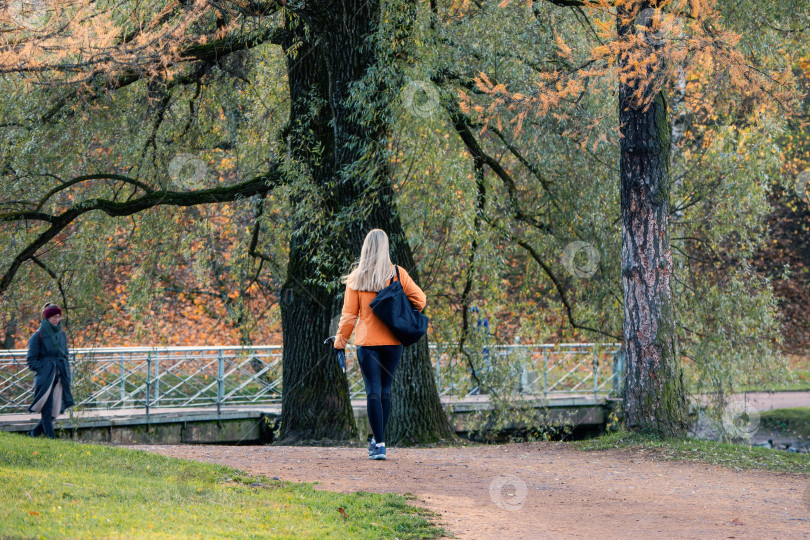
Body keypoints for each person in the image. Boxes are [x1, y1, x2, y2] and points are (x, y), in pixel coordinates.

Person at [334, 229, 426, 460]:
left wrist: (339, 344)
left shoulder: (356, 278)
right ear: (385, 247)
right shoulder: (397, 274)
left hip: (367, 343)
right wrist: (402, 309)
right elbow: (421, 300)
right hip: (393, 342)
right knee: (386, 390)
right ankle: (378, 440)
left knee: (372, 390)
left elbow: (348, 317)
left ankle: (380, 444)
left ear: (366, 247)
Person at [26, 303, 74, 439]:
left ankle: (34, 433)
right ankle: (51, 438)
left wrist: (63, 366)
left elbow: (65, 353)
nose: (57, 319)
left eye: (59, 316)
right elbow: (31, 360)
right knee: (46, 409)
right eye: (54, 316)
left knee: (56, 409)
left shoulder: (61, 335)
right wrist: (44, 369)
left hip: (60, 376)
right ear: (47, 317)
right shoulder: (38, 336)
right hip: (45, 377)